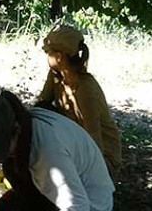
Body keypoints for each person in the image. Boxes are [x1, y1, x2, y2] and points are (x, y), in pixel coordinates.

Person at [36, 25, 122, 178]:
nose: (46, 54)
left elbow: (94, 139)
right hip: (75, 142)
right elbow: (41, 107)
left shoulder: (85, 88)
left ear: (59, 56)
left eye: (48, 51)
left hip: (101, 157)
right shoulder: (56, 76)